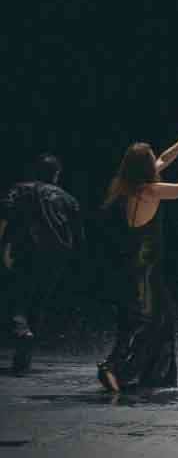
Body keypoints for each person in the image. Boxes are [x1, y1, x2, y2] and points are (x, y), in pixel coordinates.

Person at [97, 131, 178, 392]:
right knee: (149, 321)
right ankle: (116, 368)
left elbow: (165, 158)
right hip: (145, 268)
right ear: (145, 167)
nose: (156, 161)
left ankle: (154, 375)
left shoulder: (126, 184)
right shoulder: (151, 191)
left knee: (158, 319)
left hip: (135, 264)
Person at [1, 154, 84, 374]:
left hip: (25, 252)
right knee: (38, 303)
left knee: (16, 299)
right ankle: (22, 362)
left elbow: (5, 217)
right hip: (55, 259)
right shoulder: (68, 199)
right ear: (56, 175)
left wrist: (4, 246)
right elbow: (78, 236)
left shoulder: (20, 189)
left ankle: (21, 332)